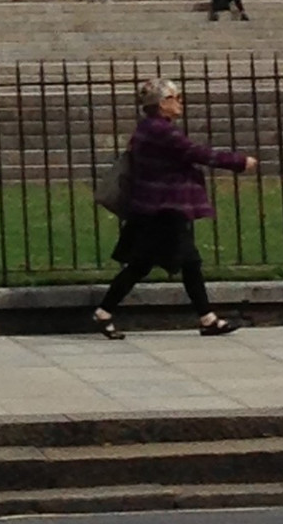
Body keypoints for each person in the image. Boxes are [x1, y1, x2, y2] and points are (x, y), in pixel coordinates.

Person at [93, 75, 254, 338]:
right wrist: (239, 162)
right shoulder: (161, 131)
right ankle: (207, 319)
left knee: (141, 265)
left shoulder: (148, 129)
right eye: (173, 98)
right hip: (163, 209)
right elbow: (197, 152)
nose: (179, 102)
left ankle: (104, 313)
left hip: (153, 208)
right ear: (160, 103)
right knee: (188, 261)